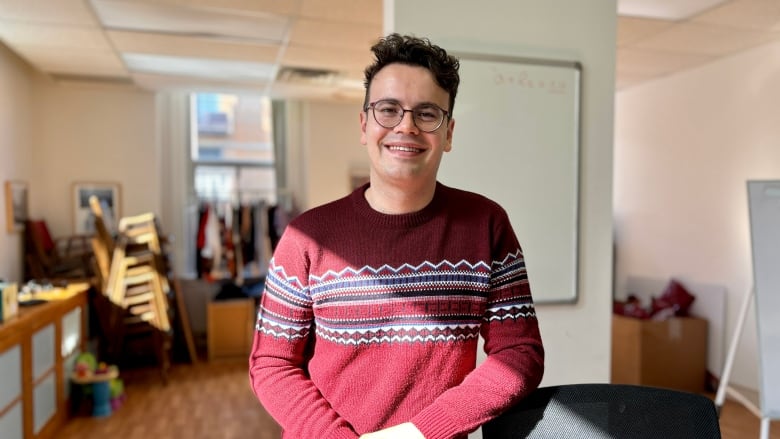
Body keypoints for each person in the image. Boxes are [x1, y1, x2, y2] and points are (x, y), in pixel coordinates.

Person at [249, 33, 544, 439]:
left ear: (449, 133)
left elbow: (519, 354)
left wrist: (421, 432)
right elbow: (271, 364)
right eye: (388, 109)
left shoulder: (487, 224)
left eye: (427, 114)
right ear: (364, 124)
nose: (406, 126)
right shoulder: (306, 237)